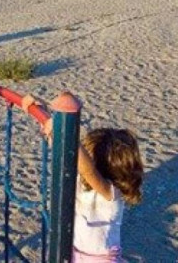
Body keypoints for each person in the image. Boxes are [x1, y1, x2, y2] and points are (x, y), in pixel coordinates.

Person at [21, 95, 144, 262]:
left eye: (87, 154)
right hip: (74, 252)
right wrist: (45, 113)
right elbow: (62, 148)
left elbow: (88, 170)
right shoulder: (80, 177)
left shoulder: (112, 194)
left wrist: (60, 130)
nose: (81, 158)